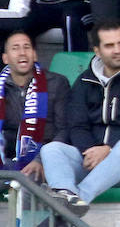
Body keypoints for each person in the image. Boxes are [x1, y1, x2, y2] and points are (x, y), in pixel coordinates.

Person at [38, 21, 120, 214]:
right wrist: (91, 151)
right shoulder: (84, 81)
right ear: (97, 50)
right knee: (52, 149)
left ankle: (79, 198)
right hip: (96, 162)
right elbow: (77, 126)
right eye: (109, 45)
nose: (118, 50)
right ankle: (66, 194)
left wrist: (109, 149)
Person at [0, 29, 70, 176]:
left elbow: (64, 130)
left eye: (27, 47)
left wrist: (40, 159)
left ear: (35, 55)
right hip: (6, 159)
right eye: (15, 48)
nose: (22, 53)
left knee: (29, 178)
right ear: (5, 58)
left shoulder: (57, 83)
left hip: (43, 160)